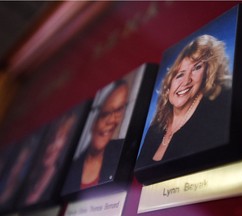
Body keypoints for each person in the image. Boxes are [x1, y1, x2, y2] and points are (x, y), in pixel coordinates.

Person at [137, 35, 232, 167]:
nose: (186, 80)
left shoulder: (216, 113)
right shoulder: (155, 129)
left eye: (197, 68)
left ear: (207, 74)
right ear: (169, 84)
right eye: (180, 74)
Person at [62, 80, 129, 194]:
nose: (112, 120)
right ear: (92, 119)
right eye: (105, 113)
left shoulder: (123, 151)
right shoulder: (69, 172)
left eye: (118, 110)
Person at [23, 114, 76, 205]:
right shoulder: (29, 176)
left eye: (61, 135)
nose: (51, 146)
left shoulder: (64, 182)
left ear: (67, 142)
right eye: (52, 135)